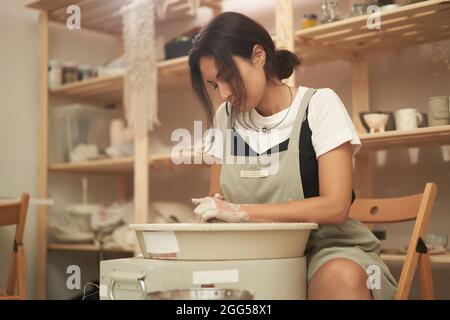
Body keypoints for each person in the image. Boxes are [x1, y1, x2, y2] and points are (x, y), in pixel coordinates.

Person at [188, 11, 397, 300]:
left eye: (228, 77)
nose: (224, 93)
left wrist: (243, 212)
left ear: (258, 55)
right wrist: (214, 211)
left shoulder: (318, 105)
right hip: (255, 254)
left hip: (324, 250)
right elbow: (218, 201)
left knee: (341, 279)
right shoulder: (226, 117)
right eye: (214, 85)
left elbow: (335, 207)